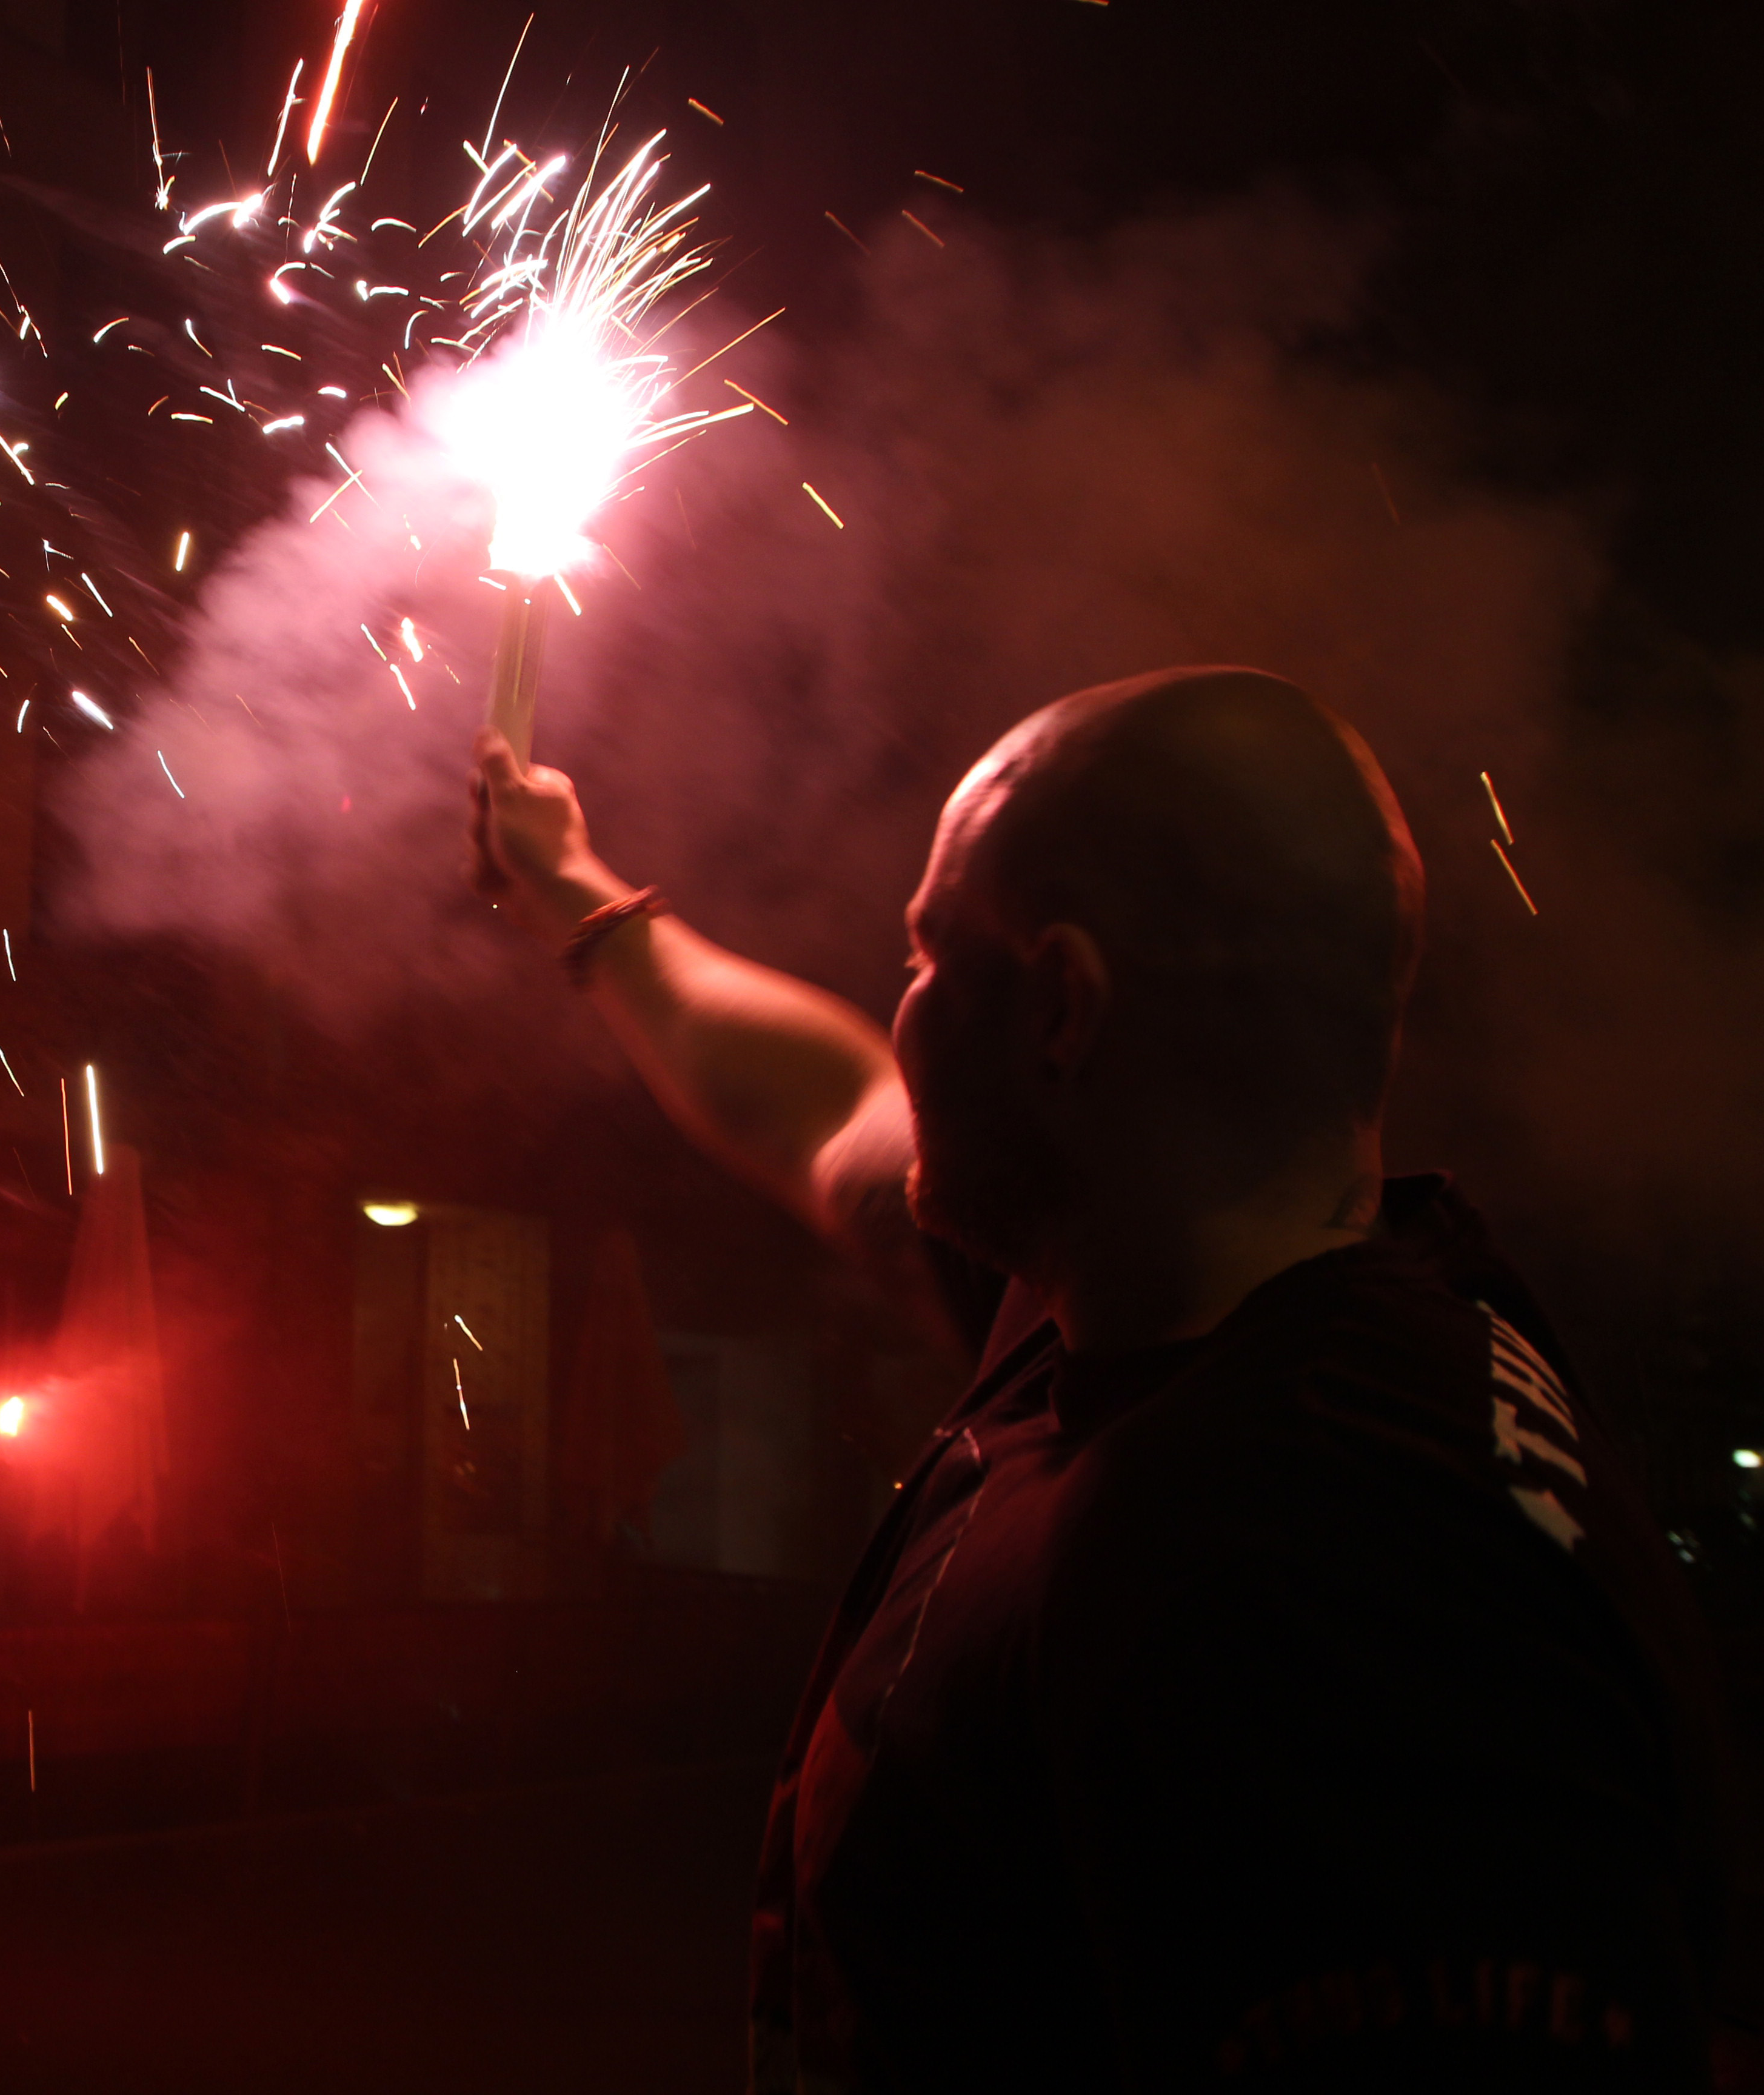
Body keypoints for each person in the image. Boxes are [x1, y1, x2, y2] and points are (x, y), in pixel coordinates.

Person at [468, 667, 1736, 2090]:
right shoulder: (1142, 1289)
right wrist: (570, 886)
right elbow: (828, 1114)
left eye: (926, 959)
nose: (900, 1017)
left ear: (1061, 1007)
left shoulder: (1354, 1580)